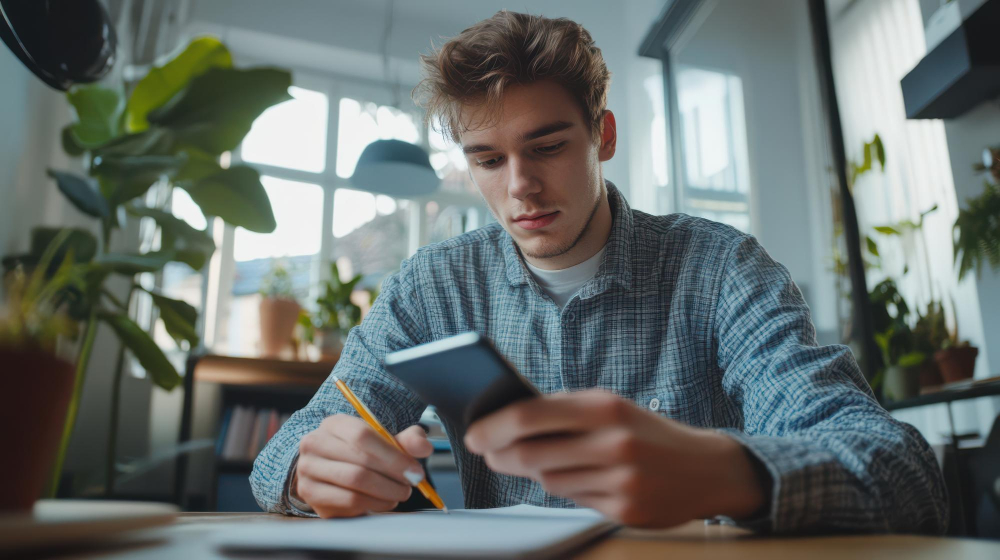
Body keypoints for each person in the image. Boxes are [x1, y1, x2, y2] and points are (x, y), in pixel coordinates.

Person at [251, 10, 947, 533]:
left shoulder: (720, 269)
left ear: (603, 136)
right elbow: (281, 454)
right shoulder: (432, 286)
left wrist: (727, 472)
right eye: (488, 160)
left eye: (547, 146)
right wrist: (312, 470)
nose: (519, 186)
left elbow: (905, 474)